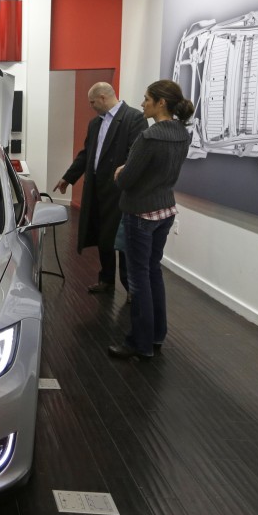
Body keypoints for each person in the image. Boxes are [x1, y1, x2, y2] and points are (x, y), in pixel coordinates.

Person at [108, 79, 194, 360]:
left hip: (141, 213)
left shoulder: (149, 137)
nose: (142, 103)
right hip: (165, 211)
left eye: (146, 98)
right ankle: (157, 335)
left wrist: (121, 172)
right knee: (153, 272)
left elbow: (128, 179)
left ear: (161, 103)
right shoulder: (183, 133)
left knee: (138, 279)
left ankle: (139, 342)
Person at [54, 82, 145, 296]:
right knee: (103, 236)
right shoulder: (95, 123)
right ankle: (106, 280)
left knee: (122, 240)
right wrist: (69, 177)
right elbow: (87, 154)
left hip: (120, 190)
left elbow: (137, 154)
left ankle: (131, 288)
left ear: (103, 97)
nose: (91, 106)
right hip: (97, 188)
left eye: (92, 102)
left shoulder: (134, 118)